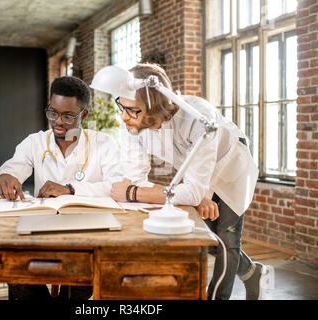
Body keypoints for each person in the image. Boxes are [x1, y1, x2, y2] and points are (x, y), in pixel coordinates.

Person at [102, 63, 266, 300]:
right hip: (197, 172)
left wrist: (135, 193)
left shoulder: (198, 117)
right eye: (122, 106)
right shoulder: (133, 122)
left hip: (232, 169)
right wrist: (194, 193)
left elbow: (134, 190)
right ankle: (251, 273)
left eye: (133, 110)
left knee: (226, 239)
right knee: (205, 237)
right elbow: (135, 177)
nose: (124, 116)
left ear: (154, 106)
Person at [0, 76, 123, 300]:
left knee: (82, 277)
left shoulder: (104, 144)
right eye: (53, 112)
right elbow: (10, 170)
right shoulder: (35, 142)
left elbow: (119, 186)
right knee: (15, 270)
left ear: (83, 115)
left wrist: (70, 189)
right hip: (40, 234)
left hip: (85, 236)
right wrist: (4, 178)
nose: (58, 121)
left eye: (68, 116)